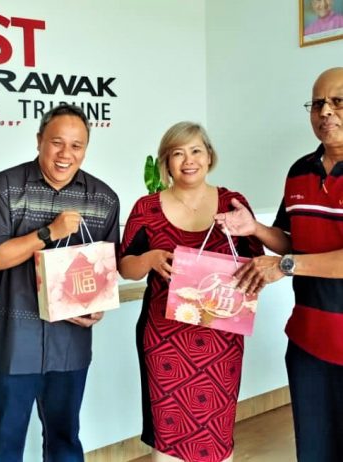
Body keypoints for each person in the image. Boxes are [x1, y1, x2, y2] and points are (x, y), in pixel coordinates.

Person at [0, 104, 120, 462]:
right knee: (1, 447)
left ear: (86, 148)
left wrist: (96, 307)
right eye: (57, 142)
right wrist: (47, 233)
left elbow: (104, 270)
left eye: (76, 145)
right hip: (11, 342)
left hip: (70, 345)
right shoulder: (5, 187)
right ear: (39, 140)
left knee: (65, 443)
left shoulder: (104, 199)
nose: (65, 154)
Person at [214, 67, 343, 462]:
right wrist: (255, 228)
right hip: (307, 342)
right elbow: (292, 241)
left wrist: (284, 266)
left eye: (338, 102)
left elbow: (292, 259)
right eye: (317, 104)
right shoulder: (299, 171)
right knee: (315, 451)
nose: (325, 112)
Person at [119, 122, 264, 462]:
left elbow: (256, 261)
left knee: (216, 433)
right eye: (177, 153)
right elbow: (125, 266)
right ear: (166, 162)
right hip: (164, 339)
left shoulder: (232, 203)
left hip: (221, 339)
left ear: (209, 156)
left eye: (196, 150)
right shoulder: (146, 208)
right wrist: (150, 259)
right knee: (168, 435)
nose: (188, 160)